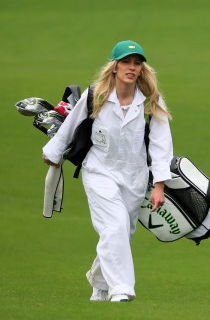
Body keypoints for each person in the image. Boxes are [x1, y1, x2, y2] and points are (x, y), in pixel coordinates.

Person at [42, 40, 173, 302]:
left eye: (137, 63)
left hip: (135, 178)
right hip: (99, 171)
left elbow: (161, 145)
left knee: (122, 232)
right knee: (114, 226)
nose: (132, 68)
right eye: (126, 62)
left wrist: (160, 186)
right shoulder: (95, 95)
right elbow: (71, 126)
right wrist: (53, 154)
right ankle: (121, 289)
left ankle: (99, 283)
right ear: (115, 67)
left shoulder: (151, 101)